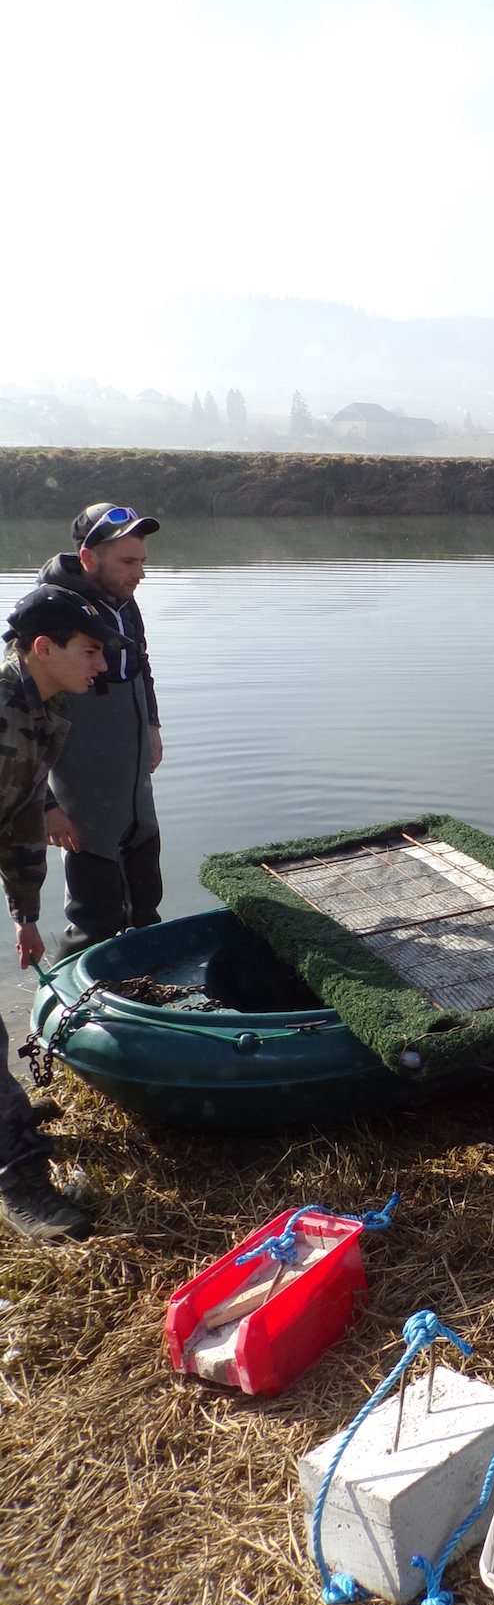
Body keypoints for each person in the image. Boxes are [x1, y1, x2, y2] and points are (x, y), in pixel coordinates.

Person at [0, 585, 134, 1240]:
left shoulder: (41, 707)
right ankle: (19, 1181)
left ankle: (10, 1116)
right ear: (44, 648)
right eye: (90, 651)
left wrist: (25, 913)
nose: (102, 665)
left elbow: (22, 815)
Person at [39, 503, 163, 955]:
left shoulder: (124, 602)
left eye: (141, 561)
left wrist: (152, 724)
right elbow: (17, 716)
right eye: (128, 562)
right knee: (95, 916)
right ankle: (74, 988)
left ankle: (148, 970)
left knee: (145, 901)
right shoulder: (50, 614)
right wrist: (45, 804)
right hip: (85, 796)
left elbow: (141, 664)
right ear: (89, 558)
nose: (140, 574)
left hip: (134, 784)